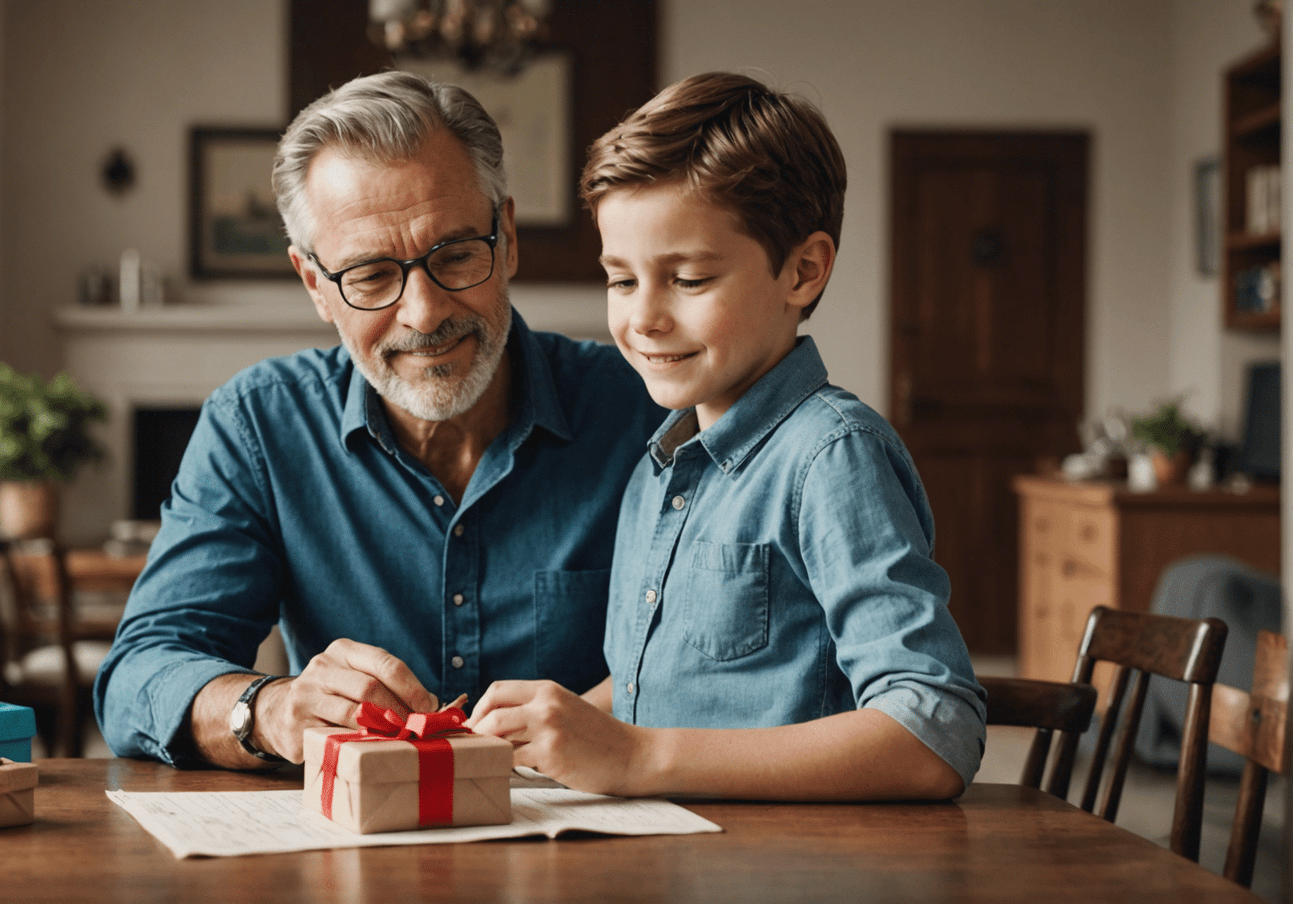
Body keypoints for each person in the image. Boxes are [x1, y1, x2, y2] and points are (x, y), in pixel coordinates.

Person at [93, 70, 662, 769]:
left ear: (506, 237)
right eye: (370, 276)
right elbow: (139, 676)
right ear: (315, 286)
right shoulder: (259, 425)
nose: (423, 314)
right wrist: (270, 711)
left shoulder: (644, 409)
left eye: (454, 255)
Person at [467, 72, 986, 800]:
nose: (643, 318)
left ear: (802, 271)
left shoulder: (832, 457)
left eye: (688, 279)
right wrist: (556, 732)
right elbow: (666, 686)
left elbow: (933, 729)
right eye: (621, 280)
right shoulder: (659, 466)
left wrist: (638, 759)